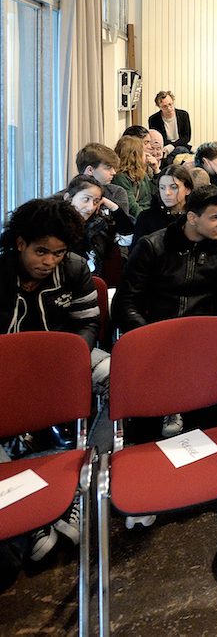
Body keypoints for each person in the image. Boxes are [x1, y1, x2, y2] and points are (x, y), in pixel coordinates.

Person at [0, 198, 104, 561]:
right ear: (19, 243)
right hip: (7, 369)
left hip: (62, 360)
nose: (49, 262)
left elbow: (88, 322)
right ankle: (29, 512)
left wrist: (72, 357)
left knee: (115, 377)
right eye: (41, 251)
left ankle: (86, 475)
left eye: (58, 253)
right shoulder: (2, 272)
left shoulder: (74, 269)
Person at [113, 186, 217, 457]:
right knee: (147, 442)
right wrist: (151, 338)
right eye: (215, 217)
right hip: (154, 339)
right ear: (192, 218)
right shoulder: (152, 246)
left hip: (202, 342)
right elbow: (126, 304)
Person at [62, 175, 133, 280]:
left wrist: (113, 207)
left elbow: (127, 239)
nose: (91, 207)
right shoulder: (57, 225)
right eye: (86, 199)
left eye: (96, 201)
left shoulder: (99, 225)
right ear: (68, 198)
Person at [131, 165, 193, 250]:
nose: (167, 192)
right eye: (162, 188)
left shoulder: (195, 217)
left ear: (188, 189)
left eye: (174, 187)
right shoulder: (146, 218)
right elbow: (136, 255)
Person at [76, 143, 132, 215]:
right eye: (108, 168)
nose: (114, 172)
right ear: (90, 170)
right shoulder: (64, 198)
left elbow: (124, 225)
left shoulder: (116, 193)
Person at [112, 135, 155, 217]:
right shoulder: (120, 178)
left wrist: (156, 171)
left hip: (148, 214)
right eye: (143, 151)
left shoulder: (142, 174)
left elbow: (154, 195)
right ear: (135, 156)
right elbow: (132, 207)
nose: (146, 154)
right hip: (139, 219)